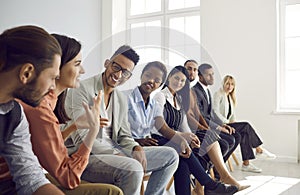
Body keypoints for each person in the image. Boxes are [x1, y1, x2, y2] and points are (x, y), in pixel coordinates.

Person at [64, 45, 179, 195]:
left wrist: (135, 148)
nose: (118, 75)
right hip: (84, 157)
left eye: (125, 72)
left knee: (171, 156)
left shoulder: (120, 98)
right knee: (133, 167)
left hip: (117, 153)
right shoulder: (80, 90)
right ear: (107, 63)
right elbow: (81, 139)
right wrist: (118, 154)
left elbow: (124, 135)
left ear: (129, 76)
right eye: (116, 67)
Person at [19, 34, 123, 195]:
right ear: (56, 67)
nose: (83, 70)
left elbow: (45, 144)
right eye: (77, 64)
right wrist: (92, 132)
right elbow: (69, 178)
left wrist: (75, 126)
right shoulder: (40, 108)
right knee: (112, 192)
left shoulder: (50, 102)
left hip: (36, 173)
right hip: (19, 182)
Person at [150, 65, 239, 195]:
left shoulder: (178, 99)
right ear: (169, 77)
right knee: (184, 152)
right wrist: (182, 137)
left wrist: (192, 138)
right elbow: (159, 126)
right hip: (159, 138)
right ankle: (211, 185)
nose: (179, 83)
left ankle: (208, 186)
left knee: (185, 159)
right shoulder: (160, 96)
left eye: (182, 81)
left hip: (175, 139)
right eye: (176, 78)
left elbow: (183, 125)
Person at [0, 25, 64, 194]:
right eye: (52, 78)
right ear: (27, 73)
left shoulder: (14, 115)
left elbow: (31, 178)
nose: (52, 88)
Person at [184, 61, 250, 191]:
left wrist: (217, 126)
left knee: (233, 136)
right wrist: (211, 128)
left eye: (194, 70)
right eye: (188, 69)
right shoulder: (192, 90)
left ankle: (210, 179)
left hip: (197, 128)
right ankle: (216, 176)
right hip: (188, 131)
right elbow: (189, 117)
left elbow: (199, 116)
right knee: (223, 141)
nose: (191, 72)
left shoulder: (194, 91)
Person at [213, 75, 276, 171]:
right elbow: (215, 111)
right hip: (220, 125)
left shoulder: (230, 97)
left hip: (228, 125)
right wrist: (226, 123)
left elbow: (232, 116)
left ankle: (246, 164)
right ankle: (259, 149)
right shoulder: (219, 94)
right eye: (228, 84)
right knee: (246, 125)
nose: (230, 86)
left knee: (244, 132)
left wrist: (235, 124)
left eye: (232, 84)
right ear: (223, 84)